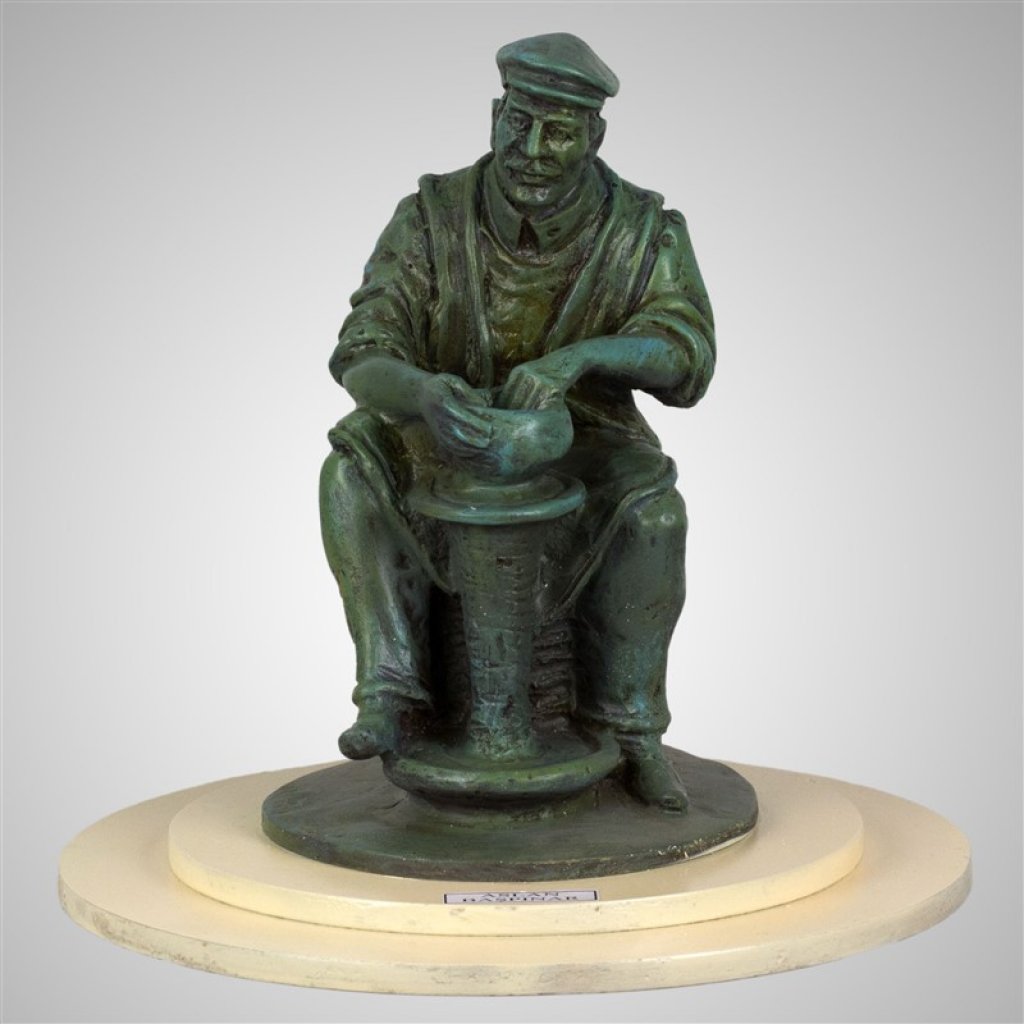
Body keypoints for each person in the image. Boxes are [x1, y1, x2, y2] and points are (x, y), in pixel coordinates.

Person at [320, 33, 715, 811]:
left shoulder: (645, 231)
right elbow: (361, 352)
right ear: (495, 115)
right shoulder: (431, 218)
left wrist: (581, 358)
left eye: (559, 132)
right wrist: (423, 392)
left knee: (654, 512)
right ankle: (390, 691)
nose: (532, 150)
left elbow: (686, 358)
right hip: (440, 437)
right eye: (519, 122)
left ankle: (632, 726)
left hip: (585, 446)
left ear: (594, 136)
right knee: (350, 468)